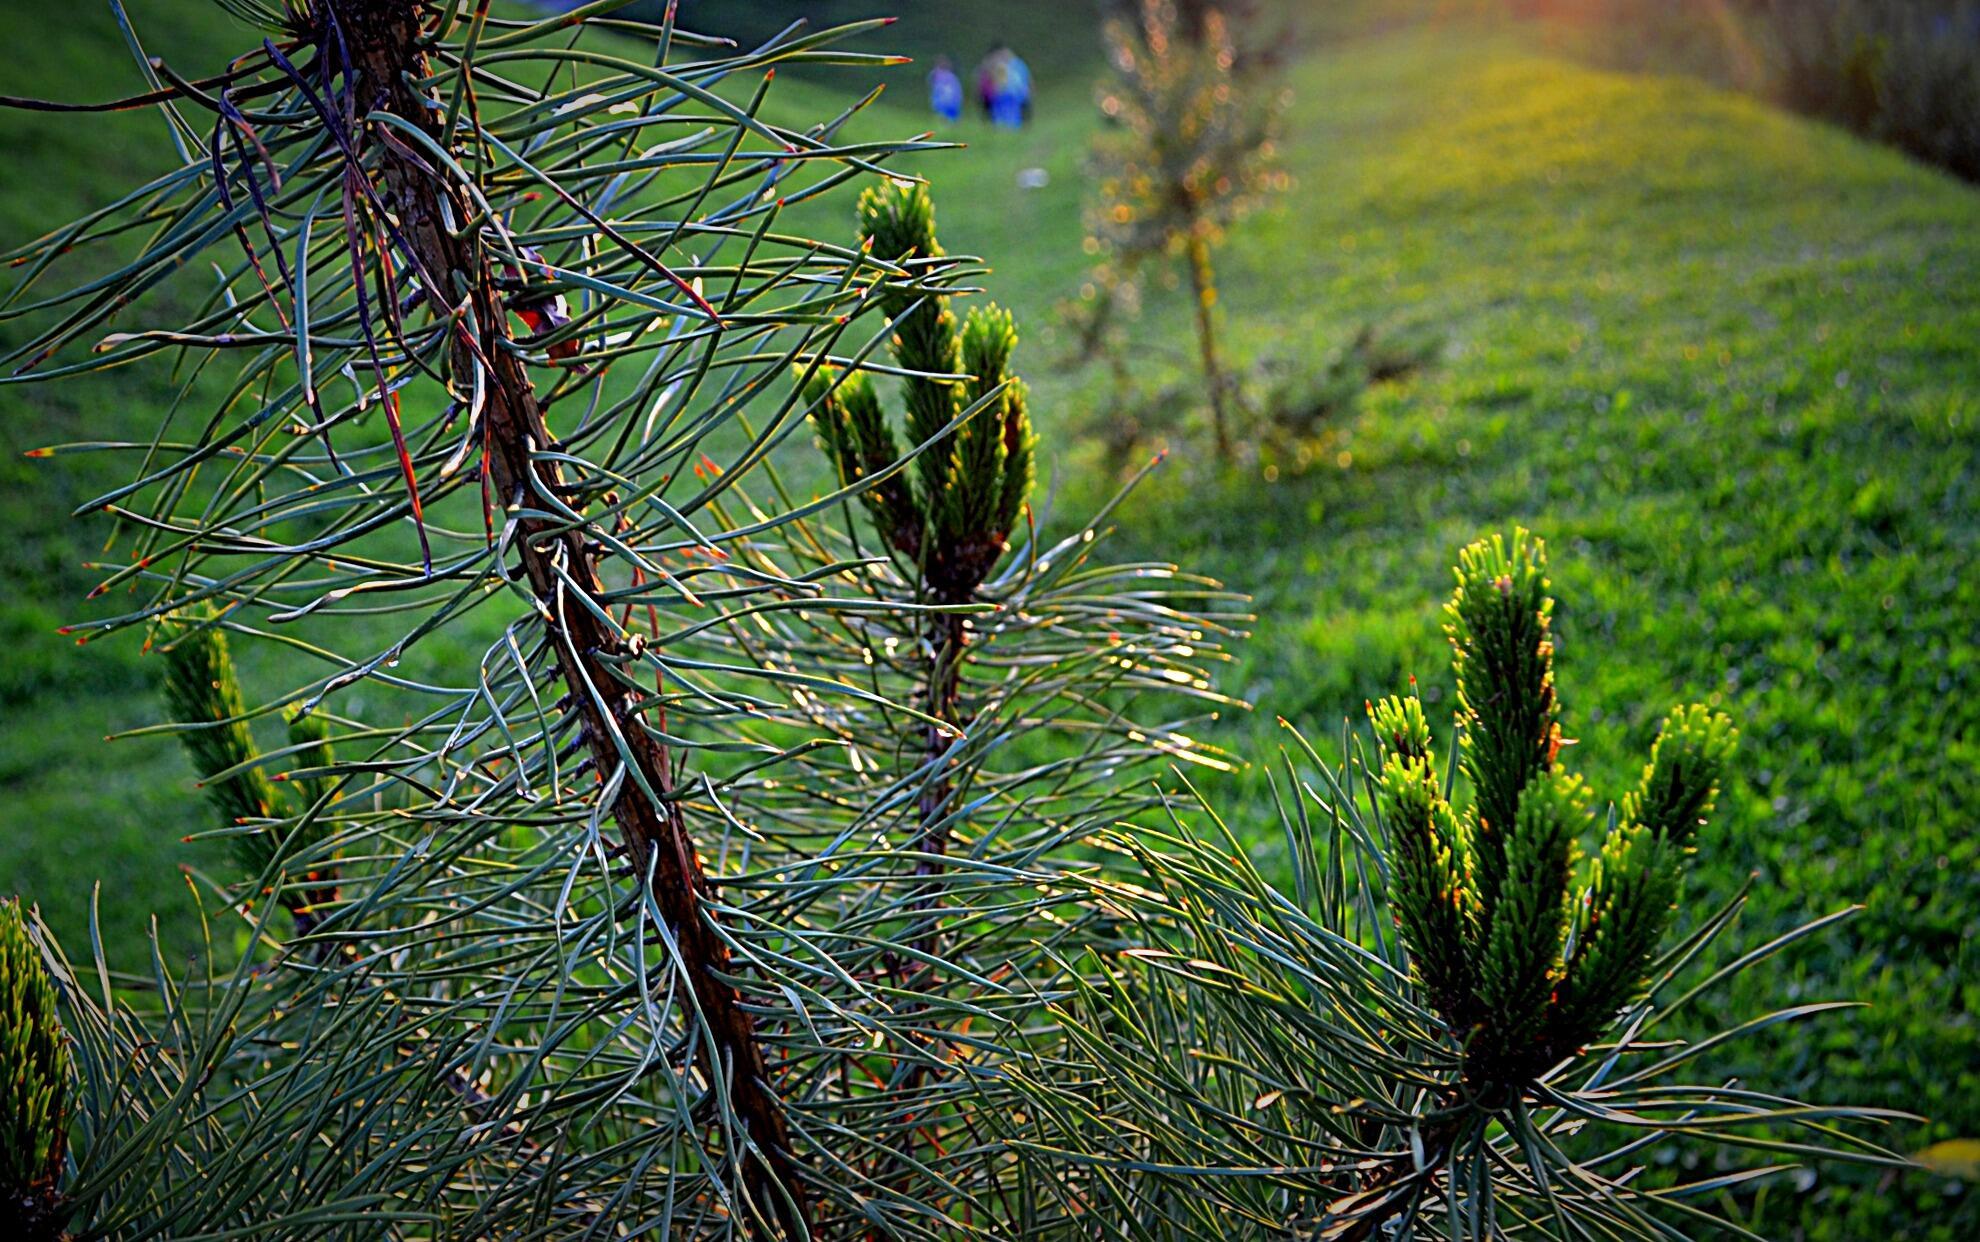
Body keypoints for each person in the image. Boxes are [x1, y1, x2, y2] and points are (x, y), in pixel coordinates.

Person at [928, 56, 962, 123]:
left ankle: (952, 125)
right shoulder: (936, 74)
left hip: (951, 99)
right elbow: (932, 83)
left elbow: (956, 89)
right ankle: (946, 125)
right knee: (943, 113)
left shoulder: (951, 76)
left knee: (952, 115)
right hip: (941, 98)